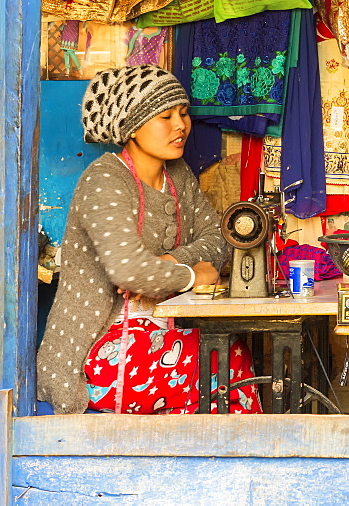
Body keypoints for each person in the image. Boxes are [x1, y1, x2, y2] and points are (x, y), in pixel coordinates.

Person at [36, 66, 261, 414]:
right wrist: (190, 275)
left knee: (230, 352)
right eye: (165, 116)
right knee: (219, 363)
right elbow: (128, 270)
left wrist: (171, 263)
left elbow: (217, 239)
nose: (180, 126)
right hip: (97, 347)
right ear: (132, 127)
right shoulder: (104, 181)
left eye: (183, 113)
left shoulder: (178, 175)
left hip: (158, 330)